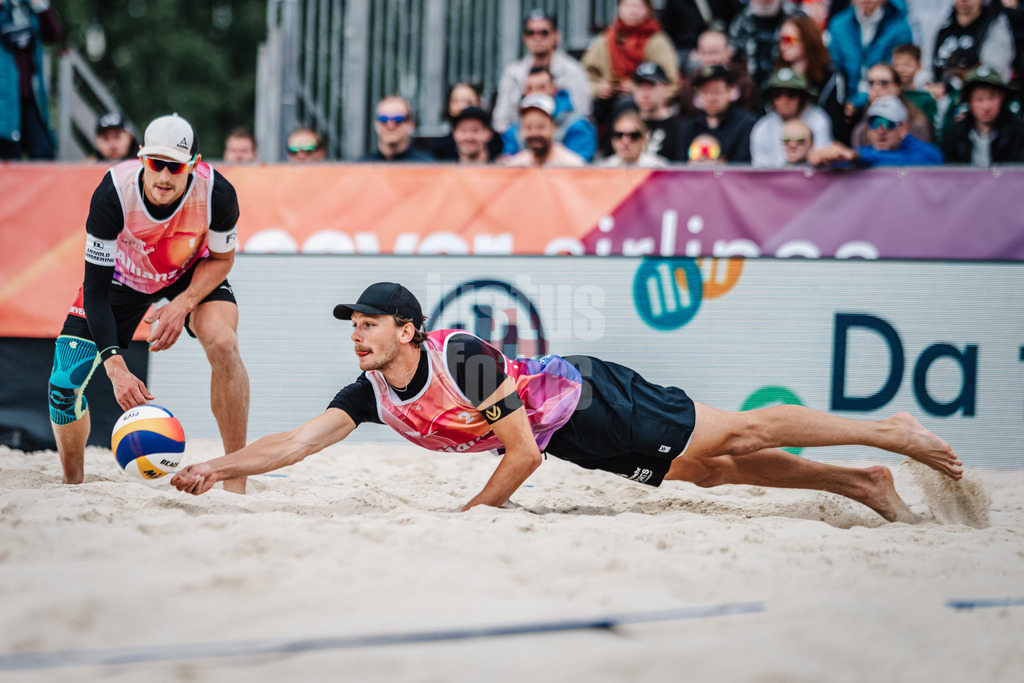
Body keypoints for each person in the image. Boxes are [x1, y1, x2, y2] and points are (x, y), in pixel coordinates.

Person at [171, 281, 964, 525]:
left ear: (408, 328)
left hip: (591, 399)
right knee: (712, 474)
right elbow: (295, 443)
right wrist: (217, 463)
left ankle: (887, 431)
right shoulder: (371, 392)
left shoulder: (463, 359)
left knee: (738, 431)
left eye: (370, 324)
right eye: (354, 326)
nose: (358, 335)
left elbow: (519, 455)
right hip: (575, 435)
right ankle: (862, 484)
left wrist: (472, 515)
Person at [47, 114, 250, 493]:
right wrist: (115, 366)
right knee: (63, 385)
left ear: (194, 164)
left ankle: (234, 479)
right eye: (156, 163)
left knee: (223, 342)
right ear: (141, 157)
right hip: (123, 277)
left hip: (188, 271)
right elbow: (95, 289)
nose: (164, 176)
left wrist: (183, 303)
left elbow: (222, 260)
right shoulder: (113, 191)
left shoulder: (216, 192)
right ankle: (72, 486)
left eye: (175, 166)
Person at [582, 0, 680, 131]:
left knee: (626, 104)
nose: (632, 11)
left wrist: (637, 89)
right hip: (606, 103)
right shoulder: (606, 38)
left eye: (638, 6)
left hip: (642, 105)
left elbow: (670, 83)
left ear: (648, 10)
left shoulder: (657, 41)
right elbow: (583, 77)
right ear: (619, 9)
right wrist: (599, 88)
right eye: (627, 5)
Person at [492, 8, 592, 134]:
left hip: (562, 143)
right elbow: (500, 120)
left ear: (556, 36)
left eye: (543, 32)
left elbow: (581, 115)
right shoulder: (512, 73)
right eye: (531, 32)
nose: (537, 37)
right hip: (519, 143)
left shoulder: (574, 71)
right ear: (524, 37)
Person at [0, 0, 62, 160]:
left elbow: (53, 35)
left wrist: (41, 5)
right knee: (8, 153)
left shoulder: (30, 8)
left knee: (43, 151)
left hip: (29, 96)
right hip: (3, 99)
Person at [808, 94, 944, 166]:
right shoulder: (864, 153)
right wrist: (823, 160)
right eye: (874, 123)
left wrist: (856, 158)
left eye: (887, 123)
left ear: (903, 128)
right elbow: (847, 159)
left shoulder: (927, 153)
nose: (880, 130)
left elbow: (930, 160)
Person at [776, 14, 850, 144]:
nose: (783, 46)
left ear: (807, 39)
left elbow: (836, 123)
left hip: (823, 144)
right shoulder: (778, 76)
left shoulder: (831, 77)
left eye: (788, 40)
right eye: (780, 40)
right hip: (785, 144)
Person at [828, 0, 914, 111]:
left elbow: (896, 72)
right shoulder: (839, 25)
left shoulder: (899, 28)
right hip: (844, 102)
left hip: (884, 102)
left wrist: (859, 101)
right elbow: (835, 68)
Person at [500, 66, 598, 162]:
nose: (535, 93)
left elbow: (580, 167)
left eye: (541, 87)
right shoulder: (515, 127)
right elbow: (508, 159)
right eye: (530, 88)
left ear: (554, 88)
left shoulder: (576, 125)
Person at [750, 67, 833, 167]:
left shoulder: (818, 120)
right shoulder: (762, 128)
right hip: (772, 182)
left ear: (802, 97)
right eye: (777, 94)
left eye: (792, 93)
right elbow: (760, 170)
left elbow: (823, 161)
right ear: (771, 98)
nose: (784, 100)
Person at [942, 65, 1024, 164]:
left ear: (1002, 97)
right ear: (969, 101)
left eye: (992, 97)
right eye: (979, 98)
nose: (986, 107)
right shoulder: (954, 135)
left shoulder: (1018, 131)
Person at [677, 64, 757, 163]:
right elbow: (679, 164)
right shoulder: (688, 126)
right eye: (705, 92)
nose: (711, 98)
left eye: (717, 92)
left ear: (730, 91)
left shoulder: (746, 124)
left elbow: (743, 166)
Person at [728, 0, 806, 93]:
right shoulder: (742, 19)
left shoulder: (797, 17)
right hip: (752, 91)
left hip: (790, 88)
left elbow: (810, 50)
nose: (764, 1)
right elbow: (734, 54)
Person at [848, 62, 935, 145]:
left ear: (898, 87)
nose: (876, 87)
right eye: (871, 83)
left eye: (884, 83)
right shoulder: (861, 128)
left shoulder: (917, 124)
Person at [932, 0, 1016, 87]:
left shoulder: (994, 25)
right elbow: (926, 68)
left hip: (977, 95)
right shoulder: (941, 26)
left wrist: (953, 86)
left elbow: (994, 73)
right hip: (936, 94)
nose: (964, 1)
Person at [501, 93, 587, 168]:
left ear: (553, 128)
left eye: (540, 127)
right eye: (528, 127)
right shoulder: (516, 166)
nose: (534, 133)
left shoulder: (572, 166)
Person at [659, 0, 744, 73]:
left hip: (721, 40)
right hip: (686, 48)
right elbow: (666, 28)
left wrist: (724, 38)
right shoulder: (676, 2)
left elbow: (737, 16)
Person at [431, 82, 503, 162]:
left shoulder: (499, 146)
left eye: (475, 130)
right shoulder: (440, 151)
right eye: (463, 131)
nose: (461, 106)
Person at [358, 95, 436, 163]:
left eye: (398, 119)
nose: (390, 125)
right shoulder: (361, 167)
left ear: (411, 124)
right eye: (384, 119)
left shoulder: (426, 166)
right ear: (376, 124)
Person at [629, 61, 682, 161]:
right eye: (640, 86)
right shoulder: (625, 126)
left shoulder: (679, 128)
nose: (645, 94)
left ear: (666, 89)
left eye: (651, 86)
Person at [599, 109, 669, 167]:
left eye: (633, 135)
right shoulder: (604, 168)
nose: (625, 141)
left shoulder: (658, 168)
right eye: (619, 135)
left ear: (644, 139)